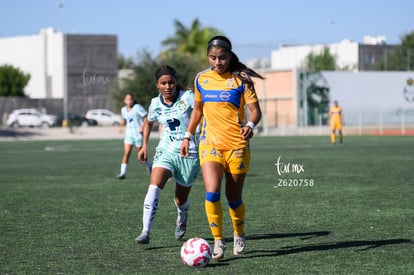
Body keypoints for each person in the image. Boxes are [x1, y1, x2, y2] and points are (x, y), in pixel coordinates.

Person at [180, 35, 263, 260]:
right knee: (211, 192)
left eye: (222, 58)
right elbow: (197, 110)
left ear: (229, 56)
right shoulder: (201, 79)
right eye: (213, 58)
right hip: (210, 144)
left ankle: (239, 233)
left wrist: (250, 124)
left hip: (237, 146)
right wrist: (188, 136)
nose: (217, 62)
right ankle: (218, 241)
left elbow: (256, 111)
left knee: (233, 199)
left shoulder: (242, 80)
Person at [135, 65, 200, 244]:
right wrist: (144, 146)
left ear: (176, 81)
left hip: (190, 153)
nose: (168, 86)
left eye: (171, 82)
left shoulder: (187, 97)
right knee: (154, 186)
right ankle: (145, 231)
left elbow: (201, 112)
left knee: (180, 200)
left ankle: (182, 216)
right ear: (157, 85)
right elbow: (148, 123)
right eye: (163, 83)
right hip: (166, 151)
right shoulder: (155, 103)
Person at [117, 93, 152, 179]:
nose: (129, 101)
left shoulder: (137, 107)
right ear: (124, 101)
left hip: (138, 135)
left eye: (131, 99)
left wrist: (142, 127)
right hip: (129, 134)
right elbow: (125, 119)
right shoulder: (123, 110)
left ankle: (151, 170)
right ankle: (122, 173)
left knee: (142, 155)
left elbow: (146, 117)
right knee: (127, 153)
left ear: (133, 100)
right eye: (127, 99)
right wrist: (121, 126)